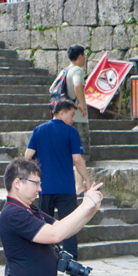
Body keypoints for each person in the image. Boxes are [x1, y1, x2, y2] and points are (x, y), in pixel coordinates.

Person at [24, 99, 90, 260]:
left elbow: (27, 156)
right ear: (61, 113)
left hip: (44, 188)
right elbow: (77, 159)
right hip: (66, 188)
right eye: (72, 115)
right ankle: (71, 260)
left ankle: (46, 258)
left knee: (44, 226)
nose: (73, 119)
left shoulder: (39, 130)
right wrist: (87, 179)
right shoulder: (71, 132)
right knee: (70, 225)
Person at [56, 44, 89, 155]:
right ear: (80, 56)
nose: (85, 58)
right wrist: (81, 103)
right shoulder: (77, 70)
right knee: (80, 153)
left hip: (64, 117)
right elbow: (77, 85)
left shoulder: (64, 71)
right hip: (78, 117)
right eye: (84, 55)